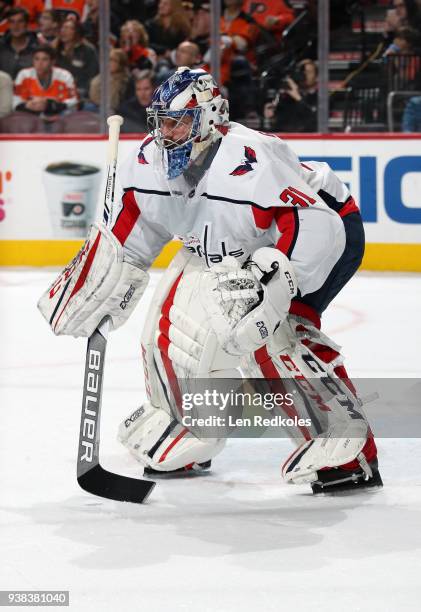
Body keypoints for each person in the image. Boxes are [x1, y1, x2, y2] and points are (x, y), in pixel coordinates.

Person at [38, 67, 382, 495]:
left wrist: (276, 282)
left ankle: (344, 445)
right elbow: (129, 233)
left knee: (275, 334)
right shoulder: (147, 162)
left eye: (178, 120)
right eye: (161, 120)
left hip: (317, 232)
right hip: (226, 244)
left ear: (210, 117)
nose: (166, 131)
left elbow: (312, 222)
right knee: (176, 327)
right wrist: (97, 282)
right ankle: (190, 427)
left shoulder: (250, 159)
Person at [13, 45, 78, 117]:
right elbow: (15, 102)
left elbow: (73, 102)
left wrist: (49, 105)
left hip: (57, 115)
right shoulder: (24, 75)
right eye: (36, 59)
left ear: (53, 62)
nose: (40, 63)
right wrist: (26, 106)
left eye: (45, 59)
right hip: (30, 115)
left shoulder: (65, 76)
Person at [264, 58, 318, 132]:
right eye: (302, 72)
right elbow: (279, 124)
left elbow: (315, 121)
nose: (305, 75)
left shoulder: (321, 97)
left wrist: (298, 98)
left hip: (309, 140)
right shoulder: (287, 97)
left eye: (309, 72)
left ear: (316, 76)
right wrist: (272, 115)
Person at [54, 16, 98, 103]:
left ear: (77, 32)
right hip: (57, 91)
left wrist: (79, 91)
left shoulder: (88, 50)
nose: (64, 31)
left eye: (68, 28)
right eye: (62, 28)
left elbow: (92, 74)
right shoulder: (55, 49)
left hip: (80, 92)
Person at [88, 48, 130, 113]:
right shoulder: (102, 76)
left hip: (114, 112)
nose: (109, 63)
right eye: (109, 59)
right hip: (97, 107)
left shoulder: (125, 81)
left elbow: (113, 103)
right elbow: (93, 95)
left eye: (114, 60)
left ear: (121, 64)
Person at [0, 7, 38, 78]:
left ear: (27, 24)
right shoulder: (1, 46)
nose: (16, 26)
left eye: (20, 21)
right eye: (12, 22)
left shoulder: (38, 48)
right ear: (8, 24)